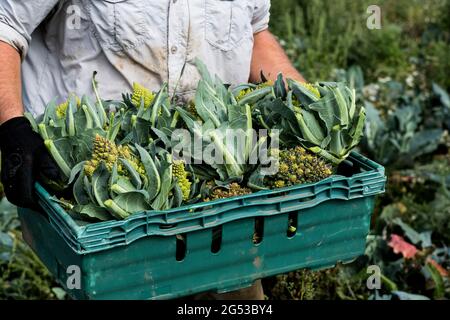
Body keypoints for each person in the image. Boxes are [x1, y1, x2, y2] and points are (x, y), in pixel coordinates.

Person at [0, 0, 305, 300]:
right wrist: (13, 127)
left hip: (212, 176)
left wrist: (306, 103)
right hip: (103, 189)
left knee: (236, 289)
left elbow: (255, 32)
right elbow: (6, 26)